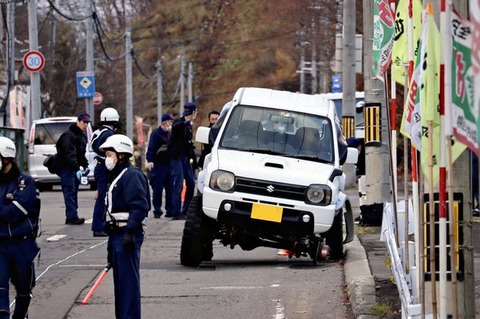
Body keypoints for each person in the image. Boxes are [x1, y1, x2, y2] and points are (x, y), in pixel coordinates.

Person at [99, 134, 150, 319]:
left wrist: (130, 232)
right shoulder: (116, 175)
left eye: (110, 154)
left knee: (128, 285)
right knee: (120, 285)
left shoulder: (131, 175)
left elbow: (140, 206)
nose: (107, 158)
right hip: (116, 235)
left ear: (121, 154)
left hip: (127, 234)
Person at [0, 137, 41, 319]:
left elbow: (15, 212)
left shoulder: (25, 182)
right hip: (0, 245)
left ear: (6, 158)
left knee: (24, 289)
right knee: (0, 287)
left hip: (22, 244)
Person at [56, 113, 91, 225]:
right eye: (84, 122)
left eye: (87, 122)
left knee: (73, 191)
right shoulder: (69, 135)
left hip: (73, 168)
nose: (86, 124)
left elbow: (81, 154)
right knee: (70, 192)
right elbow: (69, 154)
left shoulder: (81, 136)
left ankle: (72, 215)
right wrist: (77, 168)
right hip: (66, 168)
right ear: (78, 121)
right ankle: (72, 216)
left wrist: (85, 165)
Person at [90, 108, 120, 237]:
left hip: (99, 165)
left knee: (103, 196)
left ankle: (101, 224)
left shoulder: (98, 132)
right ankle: (98, 227)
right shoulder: (109, 134)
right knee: (103, 198)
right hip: (105, 166)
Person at [168, 102, 197, 220]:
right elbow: (176, 127)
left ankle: (185, 210)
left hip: (186, 158)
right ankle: (176, 212)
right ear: (193, 112)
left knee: (191, 183)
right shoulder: (179, 122)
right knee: (178, 184)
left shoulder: (189, 126)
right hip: (176, 158)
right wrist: (186, 122)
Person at [146, 113, 174, 218]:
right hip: (158, 165)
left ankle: (170, 210)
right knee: (157, 189)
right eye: (170, 122)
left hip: (169, 164)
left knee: (170, 188)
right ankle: (157, 210)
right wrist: (150, 160)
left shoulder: (170, 134)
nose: (171, 124)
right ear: (165, 123)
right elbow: (151, 148)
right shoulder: (156, 134)